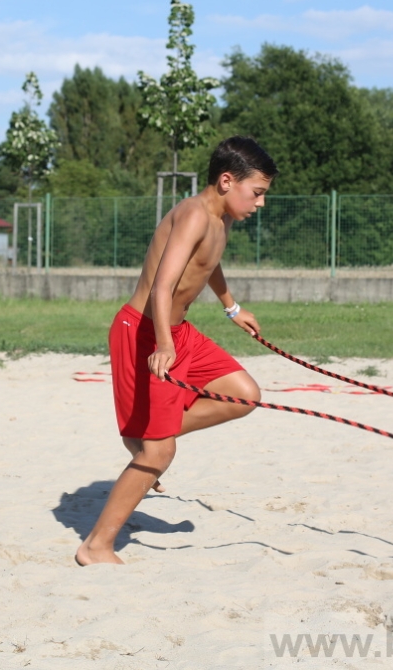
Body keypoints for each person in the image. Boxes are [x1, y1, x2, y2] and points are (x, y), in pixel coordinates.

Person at [75, 136, 278, 566]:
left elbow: (207, 264)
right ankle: (96, 547)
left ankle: (146, 437)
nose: (260, 203)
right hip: (144, 333)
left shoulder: (220, 220)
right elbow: (162, 286)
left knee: (244, 394)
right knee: (161, 452)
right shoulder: (194, 215)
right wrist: (164, 345)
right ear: (227, 181)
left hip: (177, 331)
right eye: (257, 192)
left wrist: (232, 308)